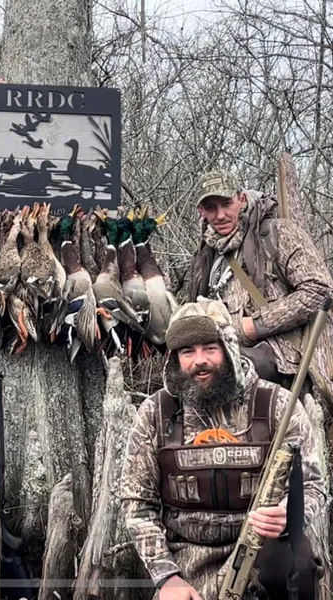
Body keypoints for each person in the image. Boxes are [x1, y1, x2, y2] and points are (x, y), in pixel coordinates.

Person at [120, 299, 325, 600]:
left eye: (210, 348)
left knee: (295, 563)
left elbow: (312, 486)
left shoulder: (278, 405)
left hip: (260, 553)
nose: (199, 360)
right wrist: (167, 577)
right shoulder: (156, 413)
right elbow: (137, 503)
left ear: (228, 348)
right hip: (184, 561)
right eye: (187, 352)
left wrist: (289, 514)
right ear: (174, 358)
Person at [187, 170, 333, 398]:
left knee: (225, 371)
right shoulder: (205, 254)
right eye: (211, 208)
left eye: (226, 204)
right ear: (201, 211)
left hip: (286, 357)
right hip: (223, 349)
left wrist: (256, 325)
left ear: (242, 199)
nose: (220, 215)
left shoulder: (278, 232)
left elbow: (319, 289)